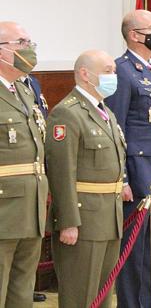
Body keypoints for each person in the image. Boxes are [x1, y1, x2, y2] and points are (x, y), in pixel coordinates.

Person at [106, 9, 151, 308]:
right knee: (136, 255)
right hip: (138, 176)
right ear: (134, 35)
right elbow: (115, 128)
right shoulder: (121, 71)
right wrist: (121, 178)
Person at [46, 50, 125, 308]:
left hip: (109, 217)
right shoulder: (67, 113)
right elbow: (61, 172)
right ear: (84, 74)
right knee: (80, 295)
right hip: (84, 219)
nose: (113, 76)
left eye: (113, 71)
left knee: (103, 295)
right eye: (107, 70)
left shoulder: (105, 112)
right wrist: (68, 221)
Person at [0, 22, 48, 308]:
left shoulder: (25, 91)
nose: (28, 49)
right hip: (4, 207)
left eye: (30, 42)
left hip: (31, 205)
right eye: (21, 42)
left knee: (21, 289)